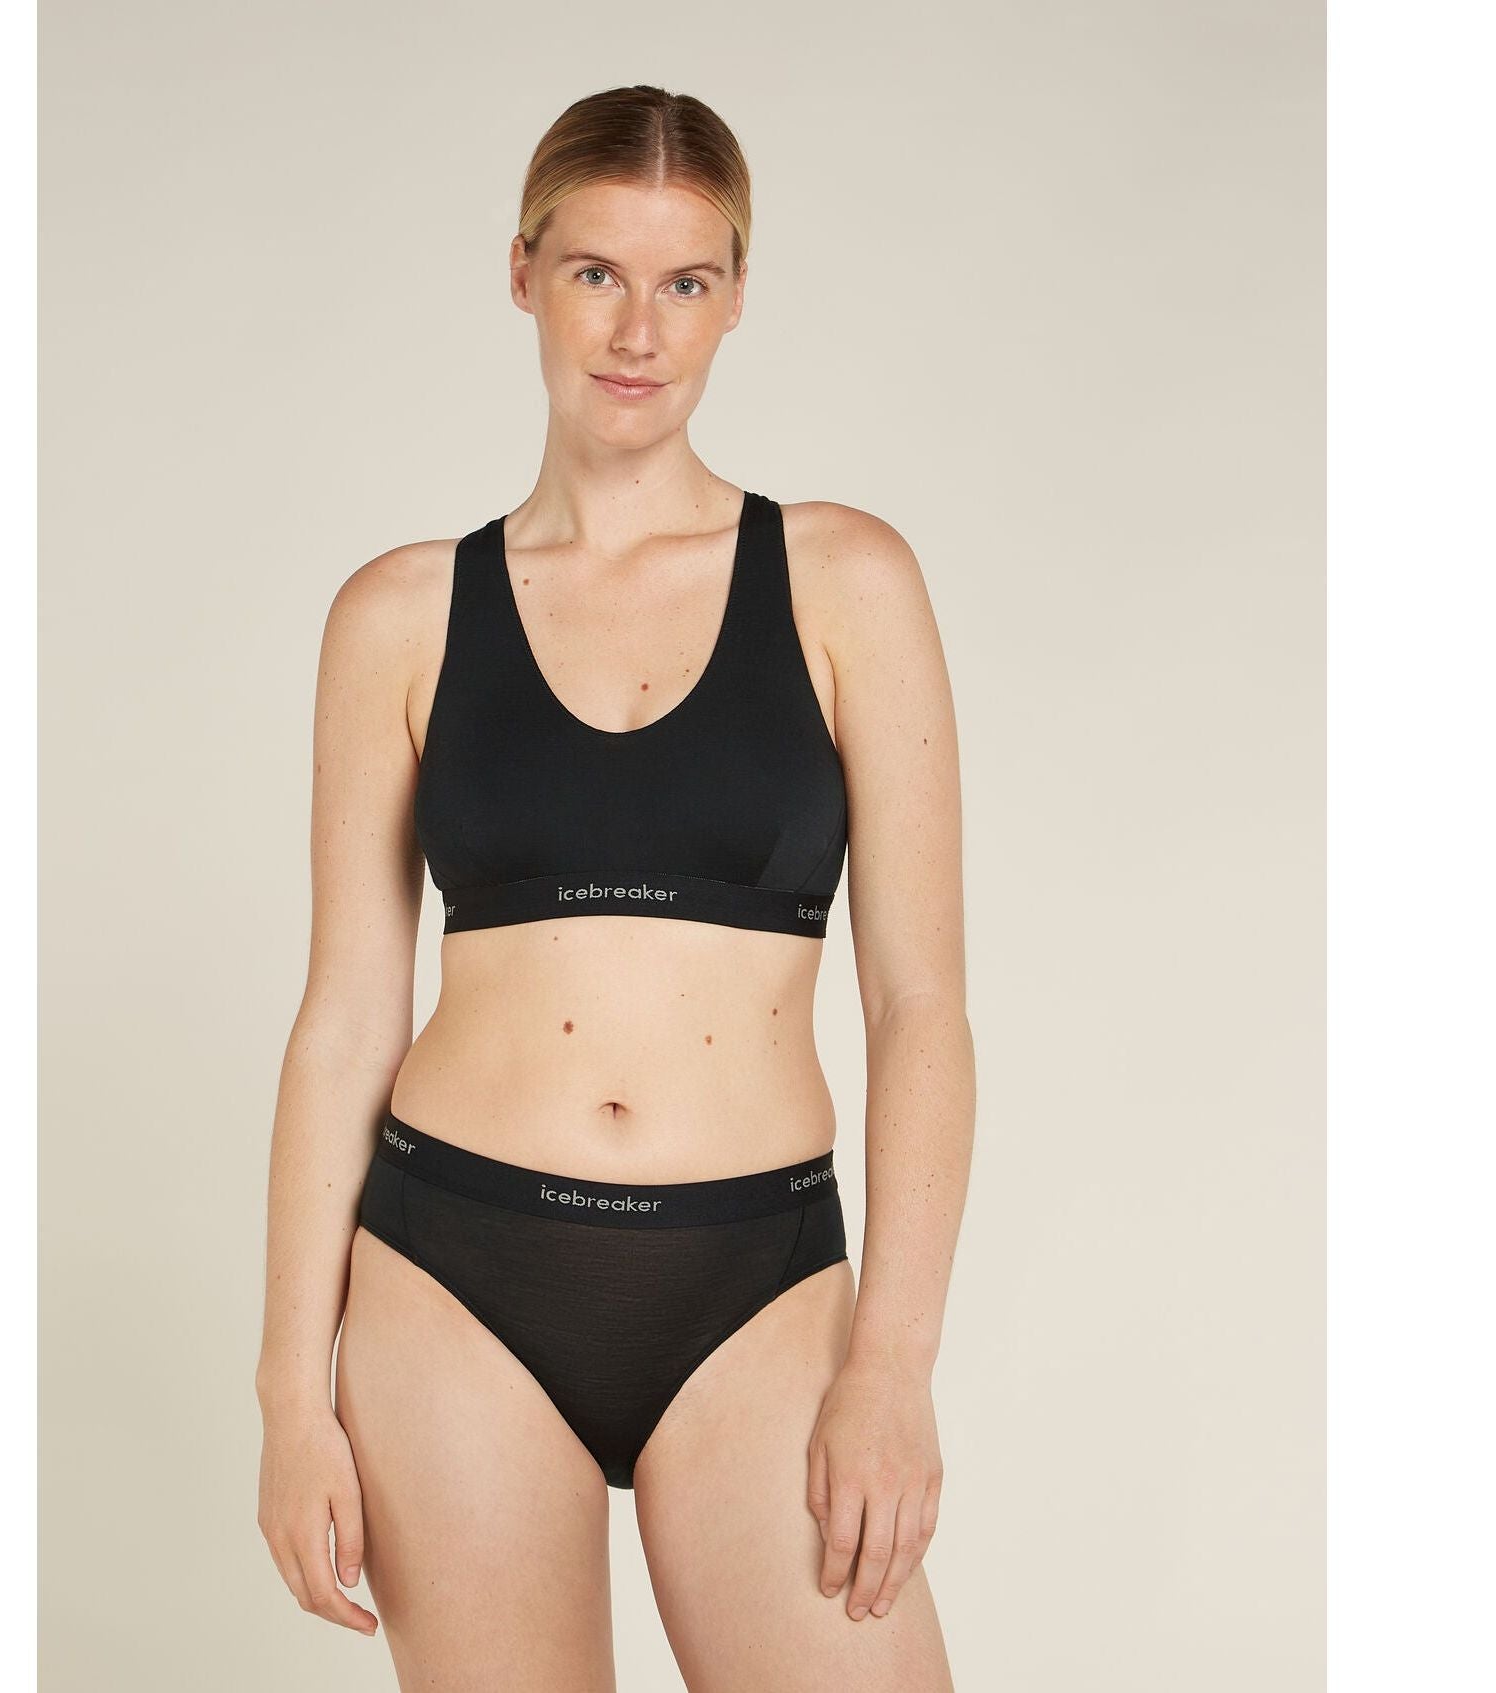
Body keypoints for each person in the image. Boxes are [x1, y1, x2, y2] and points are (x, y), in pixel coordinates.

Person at [255, 83, 973, 1691]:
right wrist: (289, 1393)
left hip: (755, 1280)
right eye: (595, 273)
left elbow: (920, 1005)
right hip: (452, 1275)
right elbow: (345, 1017)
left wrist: (894, 1359)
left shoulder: (846, 581)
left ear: (735, 296)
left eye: (685, 281)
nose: (638, 331)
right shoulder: (398, 614)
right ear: (521, 273)